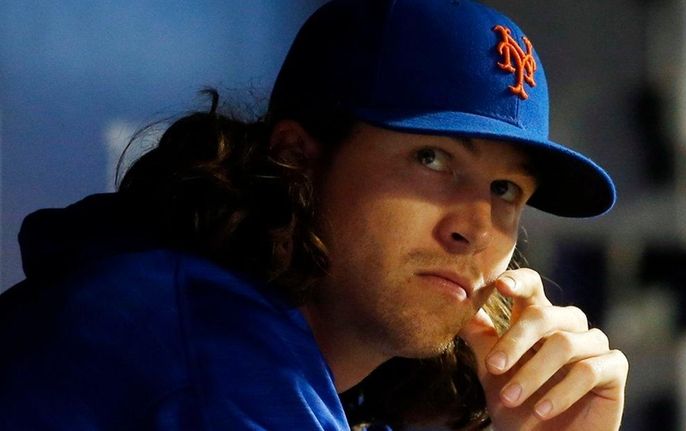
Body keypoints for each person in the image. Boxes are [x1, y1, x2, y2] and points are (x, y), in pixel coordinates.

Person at [0, 0, 628, 429]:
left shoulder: (311, 372)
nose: (475, 228)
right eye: (432, 159)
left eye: (507, 190)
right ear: (296, 159)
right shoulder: (209, 352)